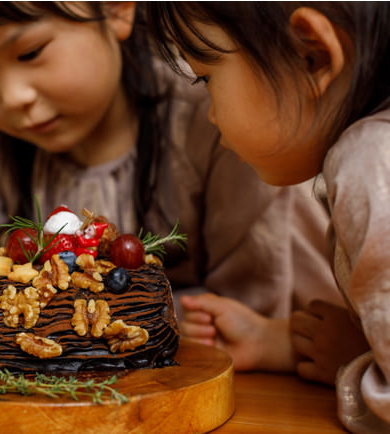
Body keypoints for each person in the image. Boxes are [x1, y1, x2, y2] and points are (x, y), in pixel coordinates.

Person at [0, 2, 339, 353]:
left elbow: (255, 309)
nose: (12, 97)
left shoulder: (218, 122)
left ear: (114, 8)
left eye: (30, 53)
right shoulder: (0, 159)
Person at [145, 2, 390, 432]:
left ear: (309, 56)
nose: (211, 113)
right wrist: (277, 341)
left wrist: (355, 370)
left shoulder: (371, 160)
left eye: (206, 77)